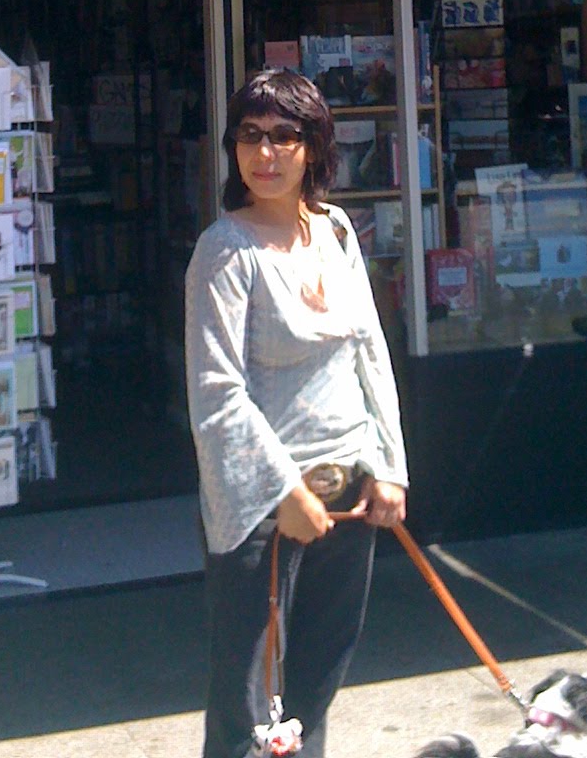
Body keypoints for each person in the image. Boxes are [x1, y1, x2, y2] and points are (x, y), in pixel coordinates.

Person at [185, 68, 409, 758]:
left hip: (348, 491)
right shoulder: (226, 251)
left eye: (285, 136)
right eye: (250, 136)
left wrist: (389, 469)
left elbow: (369, 351)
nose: (266, 153)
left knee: (313, 694)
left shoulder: (337, 230)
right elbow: (216, 392)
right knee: (247, 710)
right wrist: (281, 490)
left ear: (314, 147)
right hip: (261, 507)